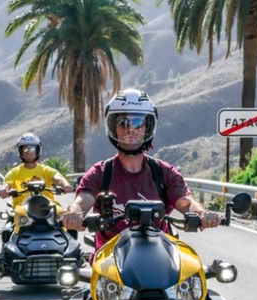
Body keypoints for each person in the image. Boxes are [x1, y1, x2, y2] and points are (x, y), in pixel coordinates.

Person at [62, 89, 221, 251]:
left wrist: (201, 213)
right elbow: (83, 200)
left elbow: (185, 202)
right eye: (123, 123)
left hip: (159, 252)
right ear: (113, 127)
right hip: (110, 257)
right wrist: (74, 213)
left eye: (138, 123)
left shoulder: (164, 172)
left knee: (192, 271)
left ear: (147, 127)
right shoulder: (100, 173)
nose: (131, 130)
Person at [0, 133, 74, 208]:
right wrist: (4, 190)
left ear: (37, 150)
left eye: (32, 148)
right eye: (25, 149)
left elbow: (58, 178)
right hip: (22, 209)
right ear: (20, 151)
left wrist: (65, 185)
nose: (28, 152)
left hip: (47, 207)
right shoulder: (14, 172)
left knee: (60, 212)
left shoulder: (46, 170)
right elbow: (7, 184)